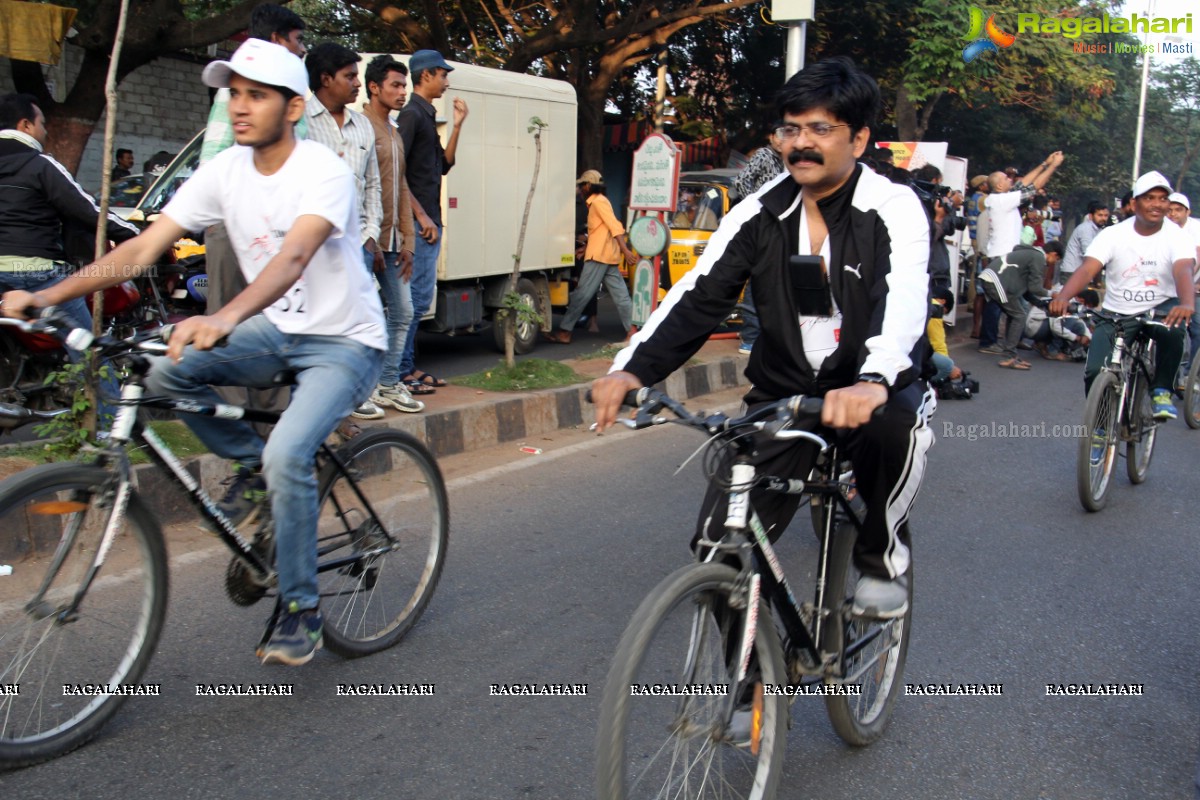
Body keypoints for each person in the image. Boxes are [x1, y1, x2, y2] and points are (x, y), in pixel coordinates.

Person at [2, 39, 387, 666]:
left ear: (292, 108)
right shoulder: (223, 171)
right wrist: (47, 294)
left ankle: (301, 611)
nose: (239, 107)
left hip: (344, 339)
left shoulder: (322, 171)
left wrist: (224, 316)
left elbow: (293, 257)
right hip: (276, 331)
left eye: (256, 95)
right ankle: (254, 471)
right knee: (161, 372)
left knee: (291, 449)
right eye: (233, 93)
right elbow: (140, 250)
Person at [592, 57, 933, 619]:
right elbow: (699, 295)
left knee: (896, 429)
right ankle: (751, 692)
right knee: (717, 552)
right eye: (790, 129)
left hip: (868, 391)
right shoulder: (759, 211)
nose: (801, 144)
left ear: (860, 137)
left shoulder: (893, 207)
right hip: (785, 397)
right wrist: (632, 368)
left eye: (821, 129)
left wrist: (874, 381)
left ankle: (881, 559)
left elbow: (901, 302)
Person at [0, 91, 139, 423]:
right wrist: (137, 236)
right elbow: (90, 211)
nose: (46, 131)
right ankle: (114, 429)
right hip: (35, 274)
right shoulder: (39, 164)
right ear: (25, 125)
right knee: (89, 351)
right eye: (42, 124)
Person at [1051, 171, 1195, 419]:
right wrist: (1063, 297)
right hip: (1118, 310)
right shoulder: (1113, 234)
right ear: (1134, 203)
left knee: (1174, 331)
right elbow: (1088, 268)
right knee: (1095, 370)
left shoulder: (1177, 235)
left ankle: (1161, 389)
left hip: (1160, 307)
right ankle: (1100, 428)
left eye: (1162, 199)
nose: (1157, 204)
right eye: (1149, 198)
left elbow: (1183, 268)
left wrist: (1187, 303)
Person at [304, 42, 386, 420]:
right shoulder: (301, 119)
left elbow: (373, 185)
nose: (358, 84)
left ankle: (348, 405)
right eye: (349, 76)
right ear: (325, 79)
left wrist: (371, 233)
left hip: (357, 246)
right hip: (312, 249)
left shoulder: (363, 126)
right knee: (316, 330)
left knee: (354, 329)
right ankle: (322, 412)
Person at [396, 49, 468, 393]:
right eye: (442, 74)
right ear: (425, 75)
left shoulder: (426, 115)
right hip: (417, 225)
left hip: (430, 222)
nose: (446, 81)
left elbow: (444, 165)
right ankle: (399, 372)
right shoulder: (410, 115)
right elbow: (396, 171)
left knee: (419, 302)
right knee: (412, 302)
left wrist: (458, 125)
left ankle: (405, 368)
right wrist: (421, 215)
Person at [361, 55, 423, 414]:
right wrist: (368, 240)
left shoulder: (395, 133)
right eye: (395, 85)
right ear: (374, 87)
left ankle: (387, 384)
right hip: (367, 243)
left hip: (394, 243)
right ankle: (363, 391)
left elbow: (400, 188)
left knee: (403, 313)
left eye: (404, 85)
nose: (403, 92)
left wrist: (408, 243)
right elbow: (362, 189)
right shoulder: (361, 128)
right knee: (365, 320)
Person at [544, 170, 636, 343]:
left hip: (599, 257)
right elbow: (600, 232)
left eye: (581, 185)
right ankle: (632, 331)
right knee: (621, 296)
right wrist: (585, 247)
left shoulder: (598, 203)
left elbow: (615, 227)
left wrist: (625, 250)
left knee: (581, 294)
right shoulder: (597, 202)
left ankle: (565, 331)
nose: (580, 188)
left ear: (588, 185)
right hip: (606, 255)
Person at [732, 123, 787, 355]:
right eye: (782, 134)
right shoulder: (764, 155)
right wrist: (756, 207)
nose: (785, 139)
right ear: (772, 136)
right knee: (756, 282)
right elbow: (740, 182)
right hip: (760, 226)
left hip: (778, 227)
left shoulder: (785, 160)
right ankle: (750, 338)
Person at [977, 240, 1061, 369]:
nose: (1054, 263)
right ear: (1053, 254)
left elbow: (1027, 290)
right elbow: (1035, 288)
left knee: (1015, 314)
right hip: (997, 282)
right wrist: (1052, 294)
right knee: (1019, 316)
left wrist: (1040, 303)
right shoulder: (1039, 258)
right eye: (1057, 259)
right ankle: (1009, 356)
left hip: (993, 279)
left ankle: (1011, 354)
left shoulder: (1031, 254)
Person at [985, 151, 1063, 264]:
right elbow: (1034, 187)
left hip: (1003, 254)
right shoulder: (1001, 201)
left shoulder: (1000, 198)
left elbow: (1022, 184)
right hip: (1003, 256)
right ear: (999, 186)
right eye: (1006, 178)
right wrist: (1053, 166)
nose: (1010, 179)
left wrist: (1045, 163)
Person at [1058, 201, 1109, 288]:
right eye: (1100, 215)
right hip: (1072, 271)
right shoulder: (1086, 229)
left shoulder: (1098, 230)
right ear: (1090, 216)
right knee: (1070, 299)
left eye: (1105, 216)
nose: (1103, 218)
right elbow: (1088, 252)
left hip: (1081, 271)